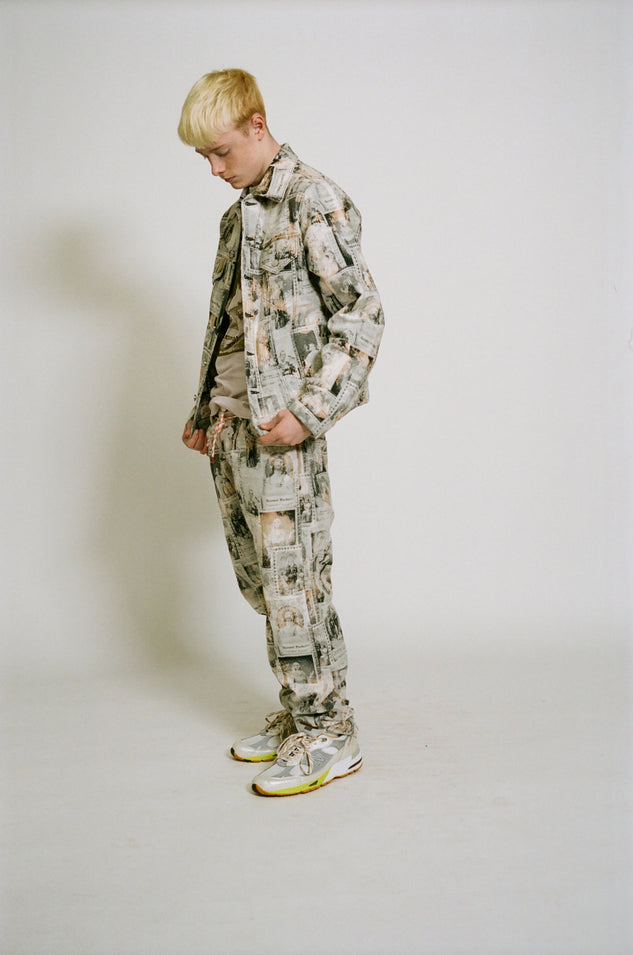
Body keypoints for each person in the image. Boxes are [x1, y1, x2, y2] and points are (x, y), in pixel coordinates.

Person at [178, 68, 384, 796]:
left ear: (257, 126)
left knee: (297, 586)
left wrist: (309, 410)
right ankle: (301, 714)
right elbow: (232, 324)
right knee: (262, 584)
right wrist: (206, 410)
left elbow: (361, 316)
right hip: (233, 428)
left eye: (221, 151)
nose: (213, 169)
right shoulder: (239, 215)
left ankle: (331, 731)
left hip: (283, 433)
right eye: (203, 156)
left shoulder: (313, 199)